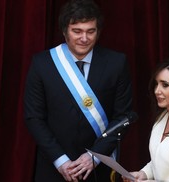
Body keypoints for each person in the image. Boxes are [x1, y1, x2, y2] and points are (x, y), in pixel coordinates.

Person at [24, 0, 133, 181]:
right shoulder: (42, 64)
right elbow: (34, 118)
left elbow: (123, 117)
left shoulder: (116, 64)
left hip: (99, 168)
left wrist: (94, 156)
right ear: (65, 31)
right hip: (54, 168)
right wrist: (61, 161)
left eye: (91, 31)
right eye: (77, 31)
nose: (84, 38)